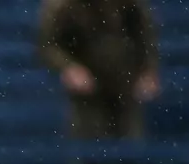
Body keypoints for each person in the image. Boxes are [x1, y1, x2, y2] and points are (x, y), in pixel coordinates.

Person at [38, 0, 159, 139]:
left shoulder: (131, 5)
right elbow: (48, 45)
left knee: (130, 143)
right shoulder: (61, 5)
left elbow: (145, 36)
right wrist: (68, 67)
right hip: (84, 90)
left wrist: (148, 71)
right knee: (88, 142)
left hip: (126, 84)